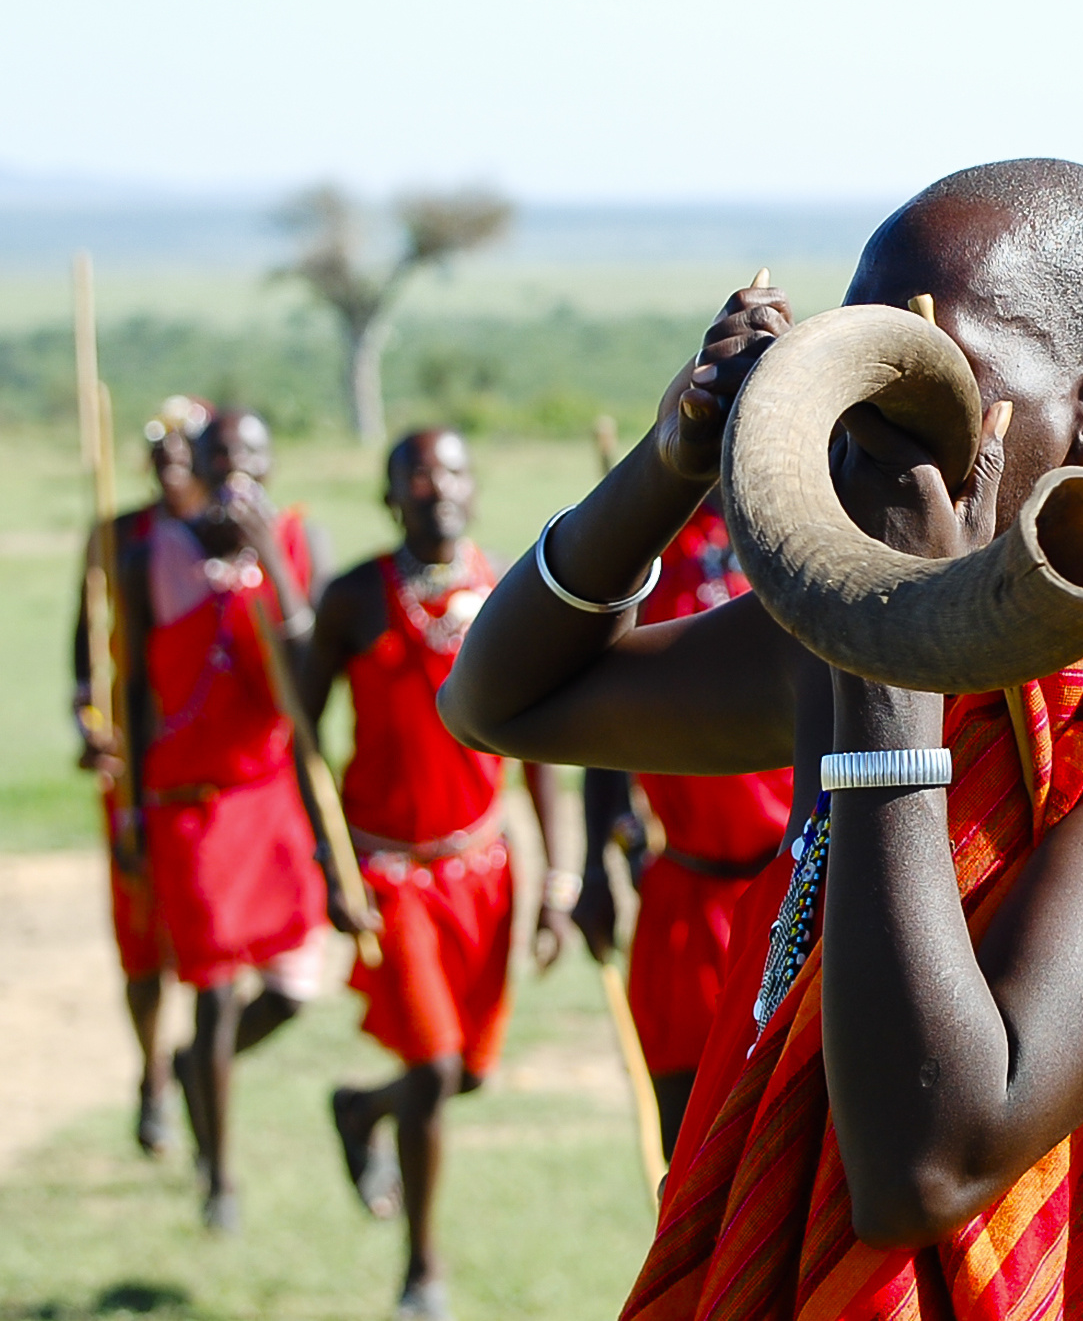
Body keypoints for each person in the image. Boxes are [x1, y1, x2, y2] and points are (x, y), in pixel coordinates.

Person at [440, 160, 1083, 1319]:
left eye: (924, 366)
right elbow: (504, 703)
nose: (862, 410)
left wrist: (884, 650)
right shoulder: (845, 644)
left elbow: (931, 1162)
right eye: (853, 356)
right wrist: (671, 463)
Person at [298, 427, 572, 1321]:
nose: (435, 486)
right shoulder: (352, 601)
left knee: (469, 1073)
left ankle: (357, 1109)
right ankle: (422, 1271)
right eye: (415, 473)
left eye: (451, 469)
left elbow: (543, 744)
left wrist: (559, 880)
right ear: (390, 496)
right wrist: (329, 862)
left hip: (483, 870)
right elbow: (301, 742)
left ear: (474, 487)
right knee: (433, 1063)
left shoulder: (510, 593)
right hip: (387, 872)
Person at [126, 405, 338, 1232]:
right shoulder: (155, 554)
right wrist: (135, 809)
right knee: (211, 992)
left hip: (271, 794)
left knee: (291, 989)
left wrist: (268, 566)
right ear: (200, 466)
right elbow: (139, 694)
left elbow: (308, 663)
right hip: (190, 802)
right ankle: (219, 1175)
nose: (235, 471)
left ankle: (191, 1071)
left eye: (251, 455)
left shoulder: (296, 540)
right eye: (220, 457)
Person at [573, 494, 792, 1157]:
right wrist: (594, 866)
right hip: (686, 897)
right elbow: (606, 719)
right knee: (688, 1149)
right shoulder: (641, 554)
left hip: (799, 893)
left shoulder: (812, 528)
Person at [70, 394, 211, 1158]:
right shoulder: (117, 534)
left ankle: (197, 1071)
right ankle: (152, 1071)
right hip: (135, 766)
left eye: (185, 449)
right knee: (141, 936)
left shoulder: (219, 541)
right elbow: (82, 651)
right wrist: (89, 726)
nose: (170, 463)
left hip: (205, 768)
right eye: (158, 450)